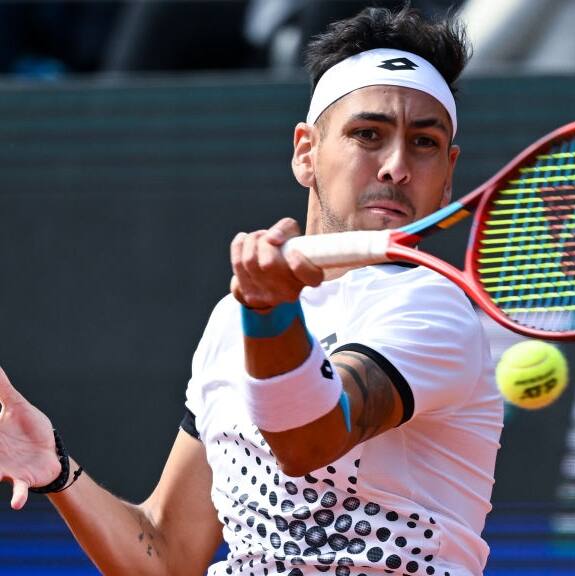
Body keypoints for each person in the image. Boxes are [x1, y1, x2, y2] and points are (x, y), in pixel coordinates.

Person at [0, 5, 503, 575]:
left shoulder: (433, 309)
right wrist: (56, 470)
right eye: (368, 134)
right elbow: (166, 556)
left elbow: (309, 441)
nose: (396, 165)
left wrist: (269, 313)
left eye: (424, 143)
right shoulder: (228, 322)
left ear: (448, 173)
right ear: (306, 152)